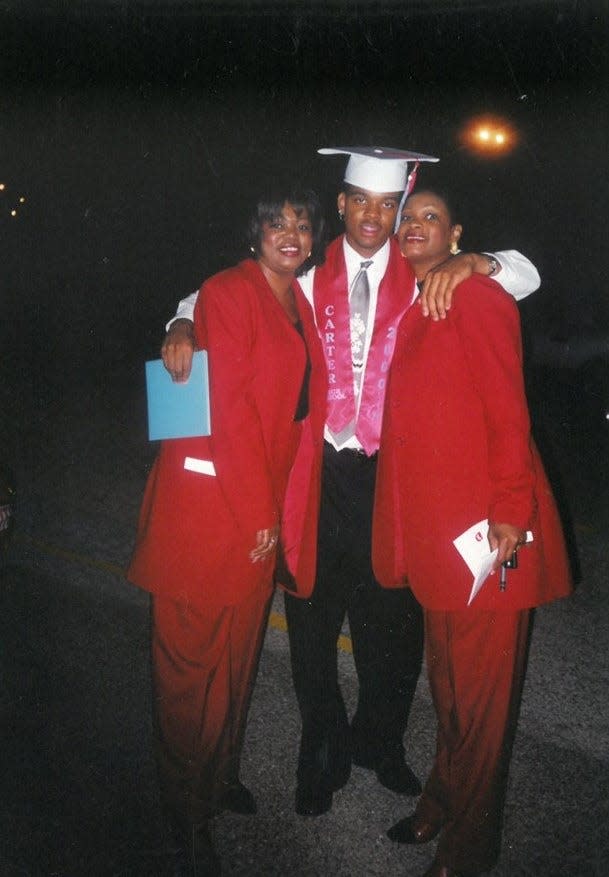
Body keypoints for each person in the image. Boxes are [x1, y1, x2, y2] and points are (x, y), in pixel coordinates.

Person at [159, 146, 542, 818]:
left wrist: (477, 260)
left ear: (398, 214)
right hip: (318, 473)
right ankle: (321, 746)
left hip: (391, 476)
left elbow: (523, 274)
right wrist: (181, 320)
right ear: (339, 206)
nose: (373, 215)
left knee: (391, 620)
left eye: (387, 205)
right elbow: (227, 287)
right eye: (360, 201)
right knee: (310, 617)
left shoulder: (428, 273)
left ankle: (382, 743)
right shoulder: (306, 271)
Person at [127, 188, 328, 876]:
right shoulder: (228, 289)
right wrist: (260, 517)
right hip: (212, 510)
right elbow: (231, 414)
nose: (291, 232)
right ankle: (182, 812)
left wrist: (276, 516)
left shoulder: (297, 300)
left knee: (236, 663)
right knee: (190, 671)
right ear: (254, 234)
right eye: (276, 222)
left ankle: (216, 779)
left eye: (302, 222)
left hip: (258, 509)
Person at [373, 189, 572, 877]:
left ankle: (468, 848)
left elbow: (504, 406)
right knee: (452, 691)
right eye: (405, 219)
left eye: (429, 216)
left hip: (488, 536)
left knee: (480, 707)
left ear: (456, 234)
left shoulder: (478, 296)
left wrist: (513, 510)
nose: (411, 227)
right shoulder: (415, 304)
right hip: (438, 542)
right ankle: (440, 800)